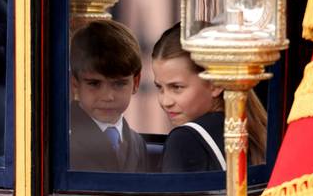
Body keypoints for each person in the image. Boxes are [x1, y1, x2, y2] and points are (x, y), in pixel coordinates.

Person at [152, 22, 267, 172]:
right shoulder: (259, 133)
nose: (165, 102)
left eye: (177, 87)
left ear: (216, 84)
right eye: (159, 88)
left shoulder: (185, 139)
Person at [69, 20, 148, 172]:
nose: (108, 96)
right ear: (75, 84)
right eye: (94, 84)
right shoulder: (60, 139)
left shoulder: (137, 143)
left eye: (119, 84)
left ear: (136, 82)